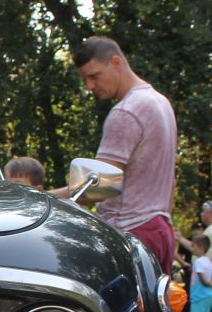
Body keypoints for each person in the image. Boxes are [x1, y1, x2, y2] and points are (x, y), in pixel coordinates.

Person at [70, 36, 177, 269]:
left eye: (94, 76)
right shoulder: (161, 103)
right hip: (160, 231)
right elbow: (170, 182)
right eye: (85, 79)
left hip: (131, 234)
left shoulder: (126, 112)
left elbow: (97, 186)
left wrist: (43, 196)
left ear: (116, 63)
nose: (89, 86)